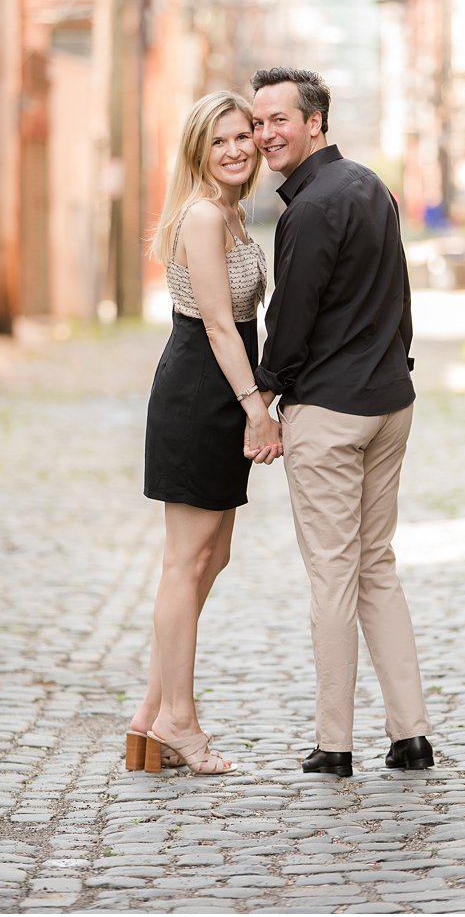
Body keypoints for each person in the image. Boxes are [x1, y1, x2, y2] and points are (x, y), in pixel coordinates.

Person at [248, 66, 431, 779]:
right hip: (391, 404)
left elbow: (289, 322)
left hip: (330, 413)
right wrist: (398, 363)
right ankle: (411, 733)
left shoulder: (309, 209)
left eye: (279, 120)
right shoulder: (372, 188)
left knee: (333, 575)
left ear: (316, 122)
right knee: (375, 566)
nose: (266, 134)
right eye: (259, 121)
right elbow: (402, 296)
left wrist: (265, 395)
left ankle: (335, 743)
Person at [129, 91, 281, 776]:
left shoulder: (228, 212)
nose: (233, 150)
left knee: (210, 557)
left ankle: (150, 715)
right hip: (201, 391)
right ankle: (178, 720)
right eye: (218, 140)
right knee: (183, 560)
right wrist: (255, 406)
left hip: (220, 390)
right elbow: (221, 324)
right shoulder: (199, 214)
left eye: (240, 137)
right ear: (198, 149)